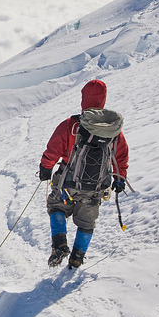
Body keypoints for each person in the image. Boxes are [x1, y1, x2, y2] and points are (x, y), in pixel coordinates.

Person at [38, 79, 129, 268]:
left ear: (83, 99)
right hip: (97, 186)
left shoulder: (71, 125)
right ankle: (77, 257)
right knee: (87, 221)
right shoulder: (112, 130)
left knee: (56, 206)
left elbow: (53, 149)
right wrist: (120, 178)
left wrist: (46, 168)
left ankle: (60, 244)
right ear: (103, 100)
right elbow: (120, 155)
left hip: (67, 182)